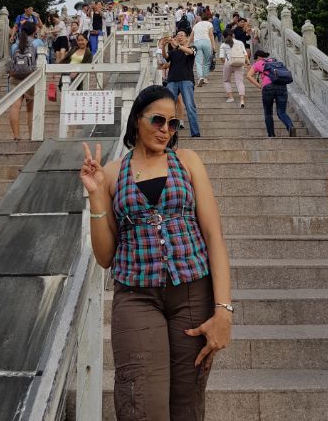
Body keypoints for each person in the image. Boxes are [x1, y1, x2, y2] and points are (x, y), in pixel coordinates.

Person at [79, 85, 232, 420]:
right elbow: (105, 256)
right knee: (141, 402)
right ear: (137, 121)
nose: (166, 129)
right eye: (158, 120)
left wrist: (224, 310)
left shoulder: (187, 162)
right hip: (136, 296)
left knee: (188, 402)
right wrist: (95, 196)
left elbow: (214, 236)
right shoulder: (113, 173)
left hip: (193, 293)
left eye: (173, 124)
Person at [247, 50, 295, 137]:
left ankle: (271, 135)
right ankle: (290, 126)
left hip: (268, 88)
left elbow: (249, 76)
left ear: (258, 57)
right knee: (282, 112)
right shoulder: (274, 61)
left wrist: (259, 86)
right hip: (282, 86)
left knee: (268, 113)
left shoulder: (258, 63)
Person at [8, 21, 43, 141]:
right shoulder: (38, 43)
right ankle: (32, 136)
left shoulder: (14, 46)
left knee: (15, 106)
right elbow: (44, 60)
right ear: (34, 31)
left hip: (15, 78)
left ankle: (16, 136)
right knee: (30, 109)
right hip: (31, 77)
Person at [162, 30, 201, 138]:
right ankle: (167, 134)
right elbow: (166, 57)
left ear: (187, 37)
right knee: (168, 107)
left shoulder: (192, 48)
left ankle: (195, 133)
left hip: (186, 80)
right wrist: (163, 46)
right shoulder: (173, 51)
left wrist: (178, 46)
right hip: (172, 80)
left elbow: (190, 52)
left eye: (182, 35)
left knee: (190, 106)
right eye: (178, 35)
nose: (179, 37)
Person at [219, 29, 248, 108]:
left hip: (228, 63)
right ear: (233, 35)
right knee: (240, 81)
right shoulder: (240, 43)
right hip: (240, 62)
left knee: (226, 80)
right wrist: (247, 63)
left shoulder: (223, 44)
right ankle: (242, 100)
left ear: (223, 36)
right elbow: (245, 54)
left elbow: (221, 57)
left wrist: (225, 63)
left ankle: (231, 97)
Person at [189, 11, 216, 86]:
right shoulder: (209, 24)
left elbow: (191, 37)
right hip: (206, 42)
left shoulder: (196, 25)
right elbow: (211, 35)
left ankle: (200, 77)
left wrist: (186, 45)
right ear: (208, 19)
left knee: (198, 62)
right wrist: (213, 46)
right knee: (207, 61)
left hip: (197, 43)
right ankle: (205, 77)